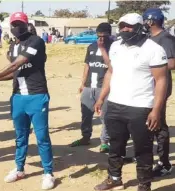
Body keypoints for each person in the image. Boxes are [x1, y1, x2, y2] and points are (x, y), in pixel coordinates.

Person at [0, 12, 55, 190]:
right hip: (18, 97)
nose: (16, 27)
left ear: (26, 25)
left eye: (20, 24)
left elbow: (16, 65)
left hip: (36, 96)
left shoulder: (36, 41)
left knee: (42, 137)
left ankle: (48, 172)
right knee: (20, 137)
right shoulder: (12, 46)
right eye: (13, 24)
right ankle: (19, 169)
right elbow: (14, 73)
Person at [93, 13, 168, 191]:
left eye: (129, 26)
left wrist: (156, 110)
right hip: (115, 104)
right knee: (115, 146)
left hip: (141, 107)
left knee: (142, 149)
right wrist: (102, 97)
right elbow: (111, 72)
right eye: (122, 26)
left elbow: (162, 81)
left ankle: (144, 184)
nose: (125, 29)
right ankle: (114, 178)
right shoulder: (116, 46)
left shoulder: (154, 49)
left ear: (140, 27)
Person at [70, 23, 113, 153]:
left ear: (109, 35)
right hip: (89, 86)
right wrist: (82, 83)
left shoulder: (114, 48)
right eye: (99, 36)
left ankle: (105, 141)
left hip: (104, 87)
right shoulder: (91, 47)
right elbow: (87, 66)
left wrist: (103, 49)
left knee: (104, 116)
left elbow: (112, 67)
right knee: (86, 114)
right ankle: (85, 137)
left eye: (104, 37)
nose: (101, 39)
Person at [142, 8, 174, 177]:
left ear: (151, 21)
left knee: (159, 125)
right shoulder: (150, 38)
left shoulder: (166, 38)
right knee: (147, 123)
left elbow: (172, 62)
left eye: (145, 20)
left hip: (160, 88)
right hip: (148, 87)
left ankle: (164, 163)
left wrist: (152, 66)